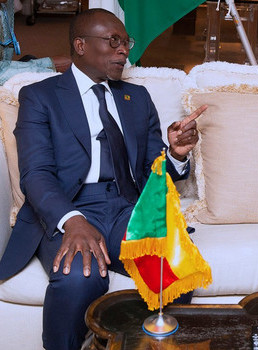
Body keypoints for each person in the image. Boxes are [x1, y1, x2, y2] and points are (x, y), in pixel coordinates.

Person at [0, 8, 205, 350]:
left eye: (126, 42)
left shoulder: (136, 98)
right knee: (80, 279)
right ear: (80, 45)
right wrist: (73, 220)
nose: (123, 50)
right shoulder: (40, 97)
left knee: (175, 272)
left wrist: (176, 153)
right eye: (113, 42)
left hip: (127, 208)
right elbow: (36, 174)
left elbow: (152, 174)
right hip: (71, 207)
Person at [0, 0, 70, 84]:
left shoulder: (7, 4)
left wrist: (47, 63)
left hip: (3, 66)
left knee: (30, 58)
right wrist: (50, 67)